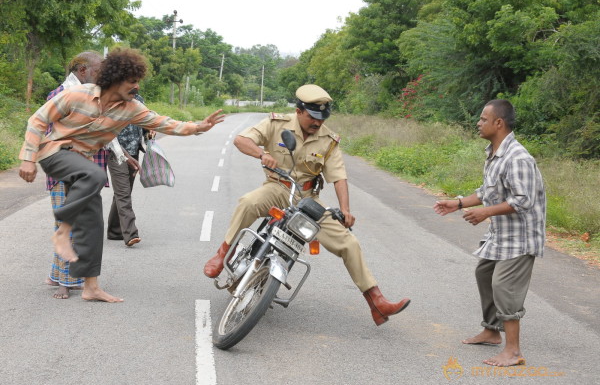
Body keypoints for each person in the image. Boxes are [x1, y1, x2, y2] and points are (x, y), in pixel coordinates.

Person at [19, 47, 225, 303]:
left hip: (82, 162)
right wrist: (28, 159)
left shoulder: (131, 108)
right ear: (115, 79)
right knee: (94, 175)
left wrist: (198, 127)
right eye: (132, 81)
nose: (137, 87)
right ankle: (63, 229)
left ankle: (90, 287)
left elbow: (164, 123)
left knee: (94, 226)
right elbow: (37, 121)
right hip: (55, 154)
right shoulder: (76, 95)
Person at [203, 84, 410, 326]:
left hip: (309, 198)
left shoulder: (329, 140)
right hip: (278, 187)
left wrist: (345, 210)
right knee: (248, 202)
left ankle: (376, 301)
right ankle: (221, 254)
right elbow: (241, 140)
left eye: (322, 118)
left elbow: (339, 177)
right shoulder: (275, 124)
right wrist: (261, 154)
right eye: (312, 116)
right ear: (299, 110)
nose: (317, 122)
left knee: (349, 242)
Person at [433, 99, 546, 367]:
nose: (478, 123)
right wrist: (458, 203)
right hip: (502, 235)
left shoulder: (518, 158)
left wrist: (485, 212)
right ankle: (492, 331)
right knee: (484, 273)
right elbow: (487, 191)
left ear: (499, 123)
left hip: (520, 238)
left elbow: (523, 201)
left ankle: (514, 351)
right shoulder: (495, 153)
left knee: (504, 286)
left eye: (484, 119)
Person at [44, 51, 104, 299]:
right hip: (67, 170)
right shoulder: (62, 94)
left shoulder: (94, 95)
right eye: (98, 70)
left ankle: (56, 275)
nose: (102, 75)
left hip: (85, 170)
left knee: (81, 224)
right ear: (82, 70)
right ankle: (64, 282)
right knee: (66, 225)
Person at [106, 93, 155, 247]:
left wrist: (149, 132)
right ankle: (130, 233)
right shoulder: (109, 100)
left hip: (134, 151)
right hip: (116, 152)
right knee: (123, 193)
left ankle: (114, 231)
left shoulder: (139, 100)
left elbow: (145, 123)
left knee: (123, 191)